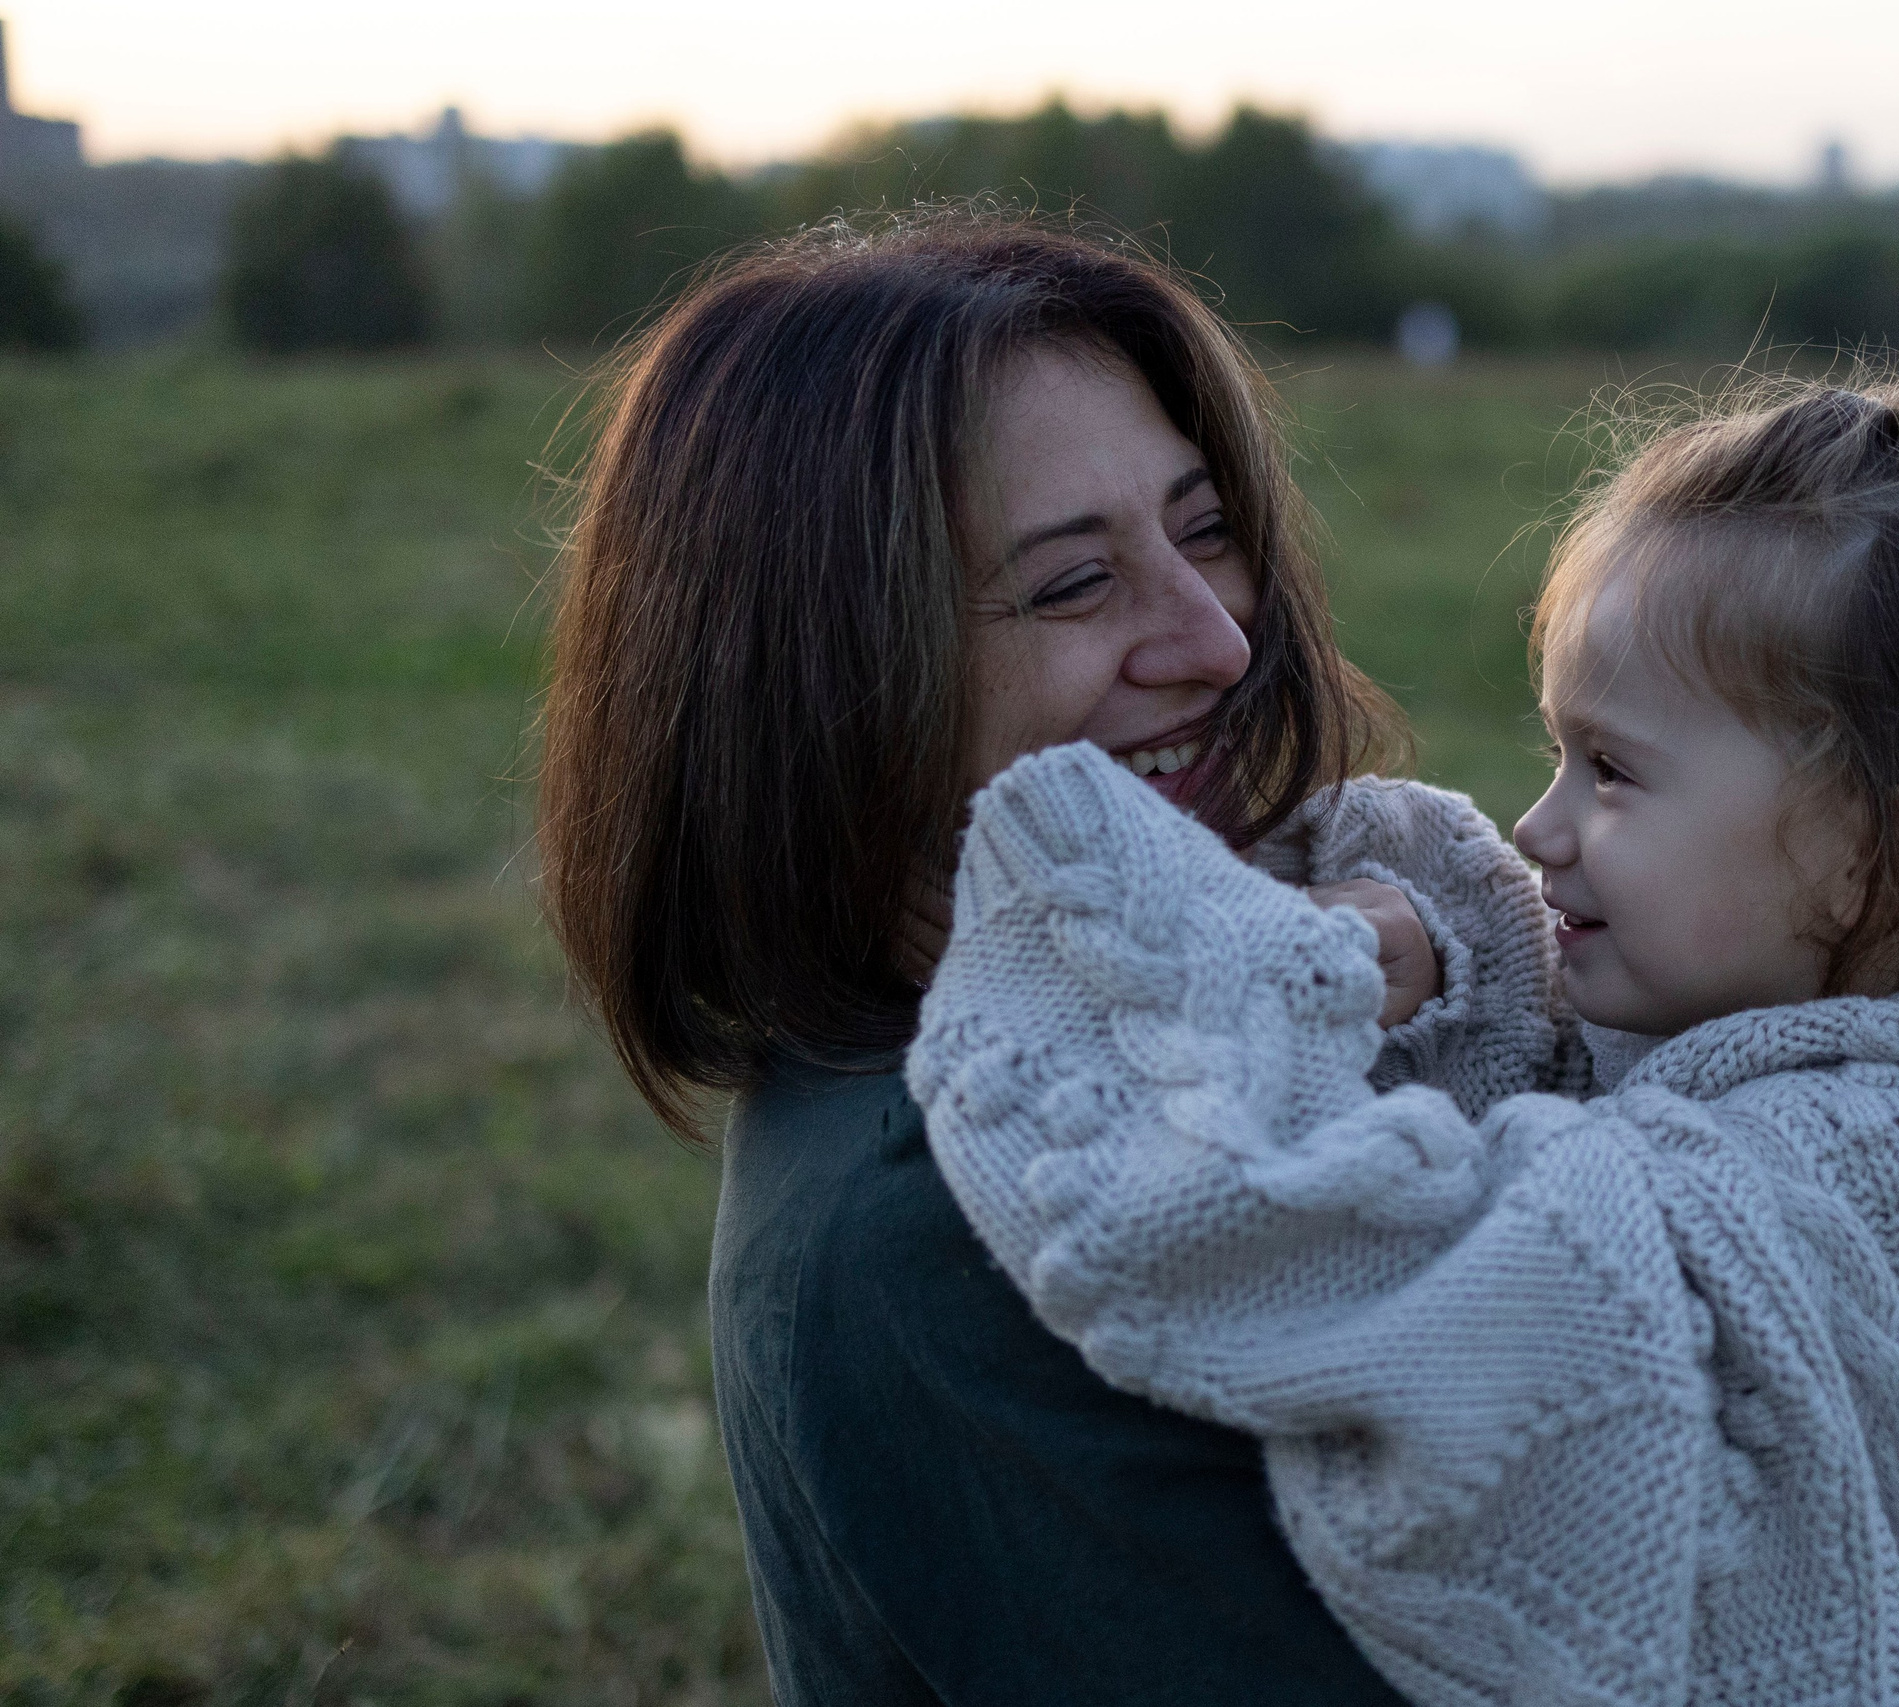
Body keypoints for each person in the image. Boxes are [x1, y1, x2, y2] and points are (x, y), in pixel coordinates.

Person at [912, 375, 1899, 1705]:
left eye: (1615, 772)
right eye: (1559, 754)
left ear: (1880, 857)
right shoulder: (1807, 1026)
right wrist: (1440, 946)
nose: (1539, 829)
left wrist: (1168, 943)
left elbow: (1446, 1283)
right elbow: (1566, 1089)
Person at [536, 212, 1564, 1703]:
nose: (1214, 638)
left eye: (1205, 528)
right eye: (1075, 585)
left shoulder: (1122, 1032)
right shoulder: (958, 1217)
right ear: (823, 681)